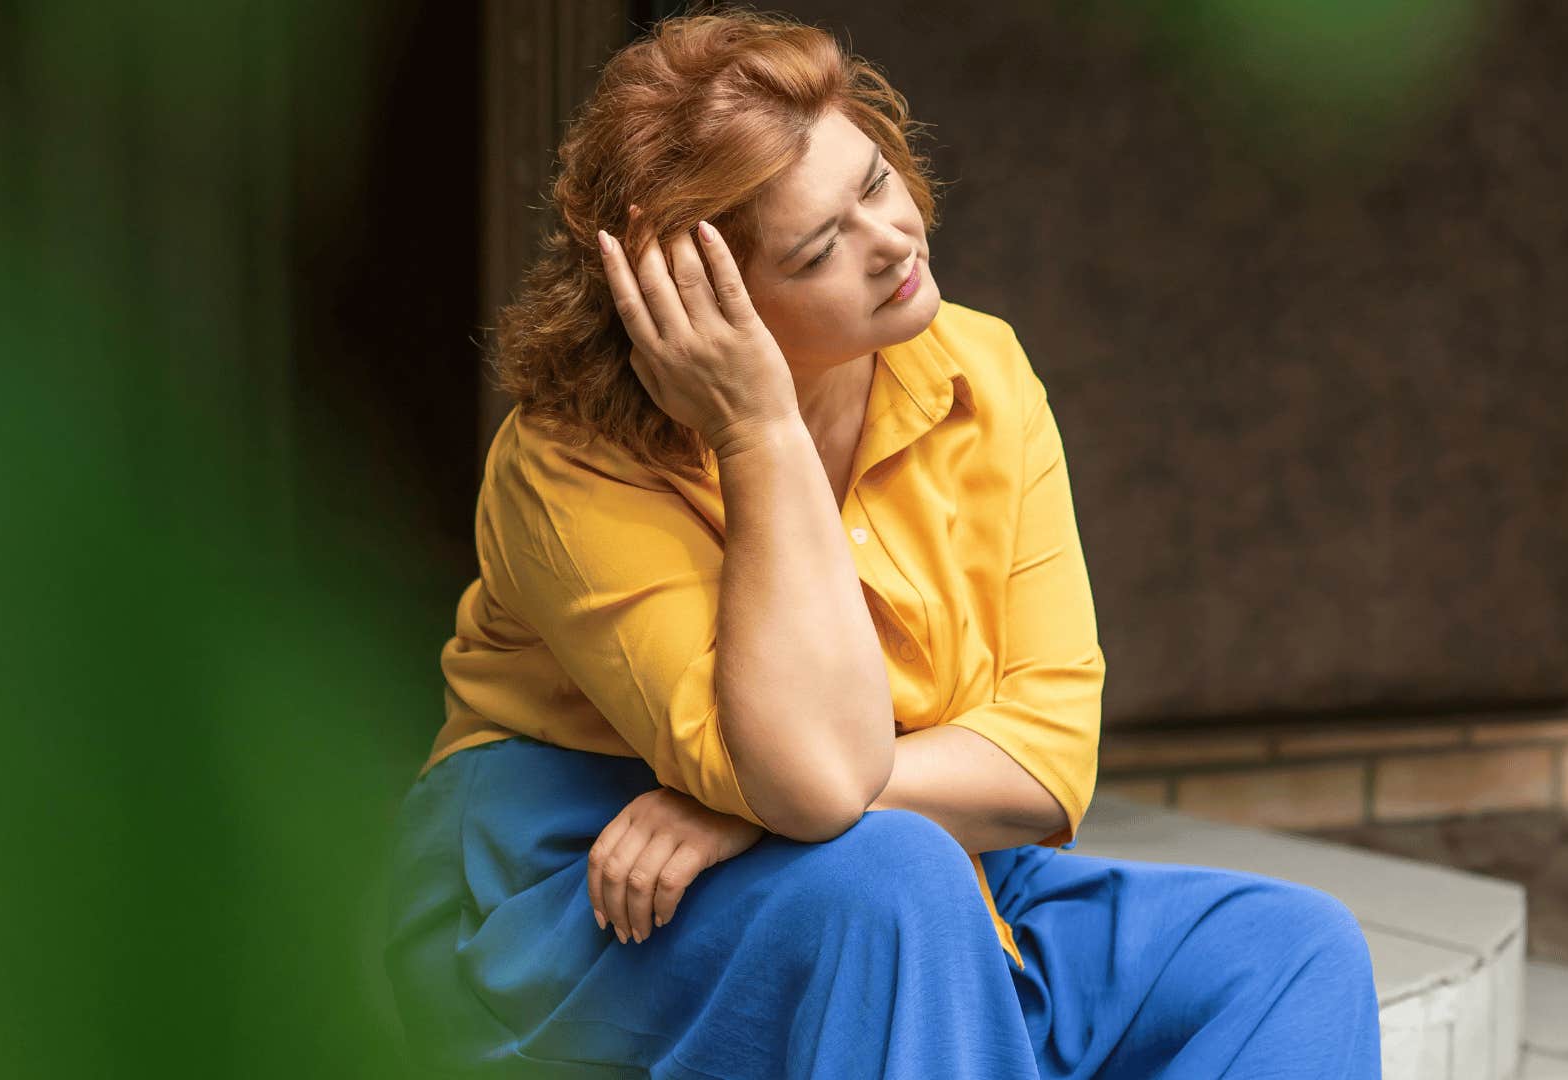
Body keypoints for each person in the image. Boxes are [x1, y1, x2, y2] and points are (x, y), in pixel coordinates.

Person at [384, 8, 1382, 1077]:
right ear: (704, 302)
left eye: (872, 183)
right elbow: (816, 780)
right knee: (891, 877)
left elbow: (1046, 757)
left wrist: (742, 819)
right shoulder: (572, 460)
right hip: (593, 893)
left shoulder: (978, 369)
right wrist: (757, 429)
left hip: (919, 875)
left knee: (1288, 949)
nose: (892, 239)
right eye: (822, 248)